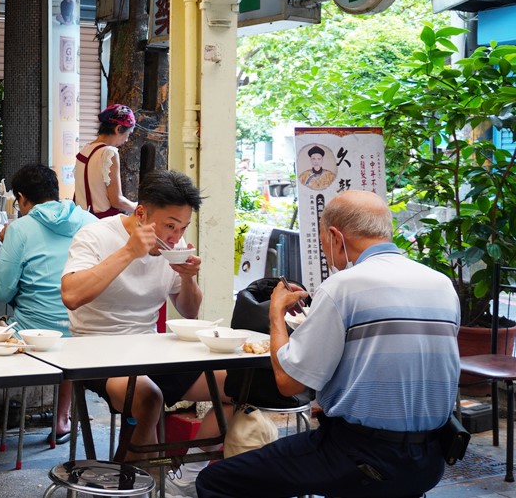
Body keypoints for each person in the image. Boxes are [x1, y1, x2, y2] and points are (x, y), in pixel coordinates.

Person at [196, 190, 461, 498]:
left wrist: (276, 313)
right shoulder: (442, 285)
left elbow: (289, 383)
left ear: (335, 236)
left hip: (360, 456)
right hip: (430, 459)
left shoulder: (344, 287)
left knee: (217, 480)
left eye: (324, 243)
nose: (326, 252)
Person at [62, 169, 231, 494]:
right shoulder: (95, 236)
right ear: (141, 213)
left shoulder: (174, 244)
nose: (174, 236)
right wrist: (129, 252)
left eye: (182, 227)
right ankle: (143, 486)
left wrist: (187, 277)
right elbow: (71, 295)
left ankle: (186, 473)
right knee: (149, 397)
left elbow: (190, 310)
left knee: (241, 387)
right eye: (169, 226)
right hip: (96, 353)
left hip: (152, 352)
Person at [0, 163, 96, 443]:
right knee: (69, 330)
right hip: (82, 334)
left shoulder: (20, 228)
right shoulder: (89, 222)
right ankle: (61, 420)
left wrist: (9, 242)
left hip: (28, 335)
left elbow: (1, 291)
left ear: (21, 198)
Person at [74, 104, 138, 217]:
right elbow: (117, 201)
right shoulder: (109, 153)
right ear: (118, 129)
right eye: (128, 134)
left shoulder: (86, 148)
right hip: (100, 222)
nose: (127, 140)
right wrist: (137, 206)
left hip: (81, 219)